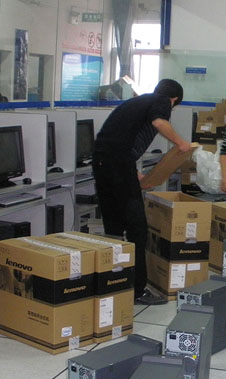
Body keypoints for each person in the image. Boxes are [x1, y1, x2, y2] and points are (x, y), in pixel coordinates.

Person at [92, 79, 191, 305]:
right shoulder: (161, 101)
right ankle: (137, 290)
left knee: (114, 226)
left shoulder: (138, 102)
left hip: (104, 164)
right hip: (117, 166)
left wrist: (134, 174)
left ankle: (114, 282)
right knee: (137, 228)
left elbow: (120, 142)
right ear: (174, 100)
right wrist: (180, 143)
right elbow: (159, 122)